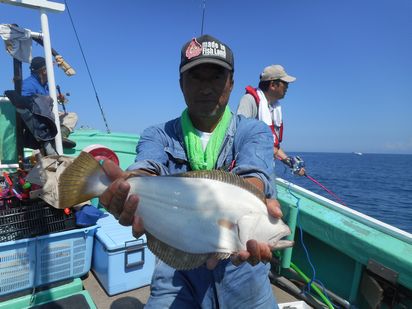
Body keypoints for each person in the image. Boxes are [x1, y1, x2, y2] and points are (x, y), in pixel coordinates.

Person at [98, 34, 283, 308]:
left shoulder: (253, 131)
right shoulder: (157, 134)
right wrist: (127, 188)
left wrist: (251, 202)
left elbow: (254, 176)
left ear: (231, 83)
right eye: (196, 77)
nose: (206, 88)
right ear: (181, 84)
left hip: (245, 280)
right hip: (176, 274)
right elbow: (146, 166)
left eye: (216, 77)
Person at [237, 65, 306, 176]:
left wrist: (291, 163)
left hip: (266, 169)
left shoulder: (273, 109)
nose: (287, 87)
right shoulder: (249, 101)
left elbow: (274, 147)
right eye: (285, 83)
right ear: (273, 85)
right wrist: (265, 148)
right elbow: (239, 136)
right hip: (248, 170)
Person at [22, 56, 77, 149]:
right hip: (38, 117)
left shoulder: (47, 85)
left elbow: (49, 100)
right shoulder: (28, 84)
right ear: (44, 71)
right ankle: (53, 139)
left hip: (48, 115)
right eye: (49, 69)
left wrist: (58, 98)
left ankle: (59, 137)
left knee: (72, 116)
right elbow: (24, 101)